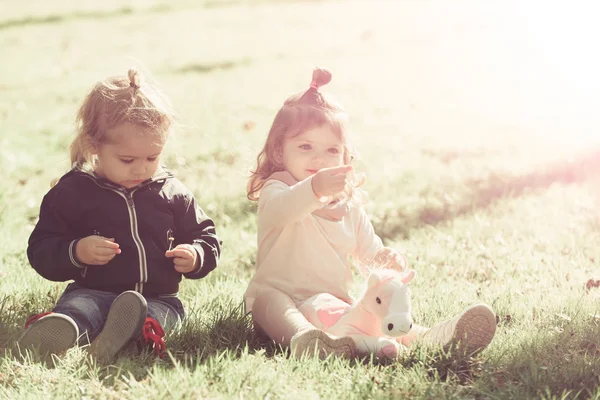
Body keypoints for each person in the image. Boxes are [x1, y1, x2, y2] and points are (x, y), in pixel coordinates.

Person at [244, 67, 496, 358]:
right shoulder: (276, 190)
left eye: (331, 150)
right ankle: (306, 341)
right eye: (305, 146)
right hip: (281, 305)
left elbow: (368, 252)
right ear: (278, 151)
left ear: (345, 156)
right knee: (269, 300)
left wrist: (384, 260)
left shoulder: (346, 206)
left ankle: (429, 338)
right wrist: (315, 187)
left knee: (372, 309)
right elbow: (283, 211)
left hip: (330, 306)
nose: (318, 158)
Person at [19, 68, 221, 362]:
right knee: (80, 309)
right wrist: (77, 251)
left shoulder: (171, 191)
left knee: (158, 318)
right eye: (127, 160)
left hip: (158, 297)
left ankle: (130, 334)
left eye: (152, 158)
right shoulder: (73, 192)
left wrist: (195, 255)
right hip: (93, 290)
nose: (141, 169)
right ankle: (64, 329)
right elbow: (41, 248)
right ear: (93, 145)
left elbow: (206, 236)